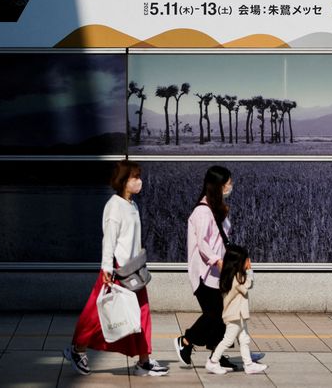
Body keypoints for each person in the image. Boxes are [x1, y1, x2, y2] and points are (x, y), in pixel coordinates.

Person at [63, 161, 169, 377]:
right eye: (134, 177)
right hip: (117, 271)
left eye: (139, 176)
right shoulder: (114, 206)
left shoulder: (132, 204)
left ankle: (144, 360)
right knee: (98, 315)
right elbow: (109, 240)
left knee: (142, 313)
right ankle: (77, 349)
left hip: (133, 270)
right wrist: (106, 268)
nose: (139, 181)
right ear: (123, 181)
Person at [174, 166, 263, 370]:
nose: (230, 186)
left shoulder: (215, 208)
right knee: (214, 315)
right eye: (227, 183)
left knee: (223, 315)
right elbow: (202, 243)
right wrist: (217, 260)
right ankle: (186, 341)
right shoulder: (202, 211)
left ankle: (217, 355)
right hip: (206, 274)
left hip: (219, 273)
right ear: (217, 186)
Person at [206, 245, 267, 375]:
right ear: (238, 262)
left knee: (244, 339)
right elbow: (248, 285)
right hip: (234, 315)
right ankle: (212, 362)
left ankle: (248, 364)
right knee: (228, 340)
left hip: (238, 315)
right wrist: (250, 270)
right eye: (246, 260)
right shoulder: (237, 277)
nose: (248, 262)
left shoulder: (230, 276)